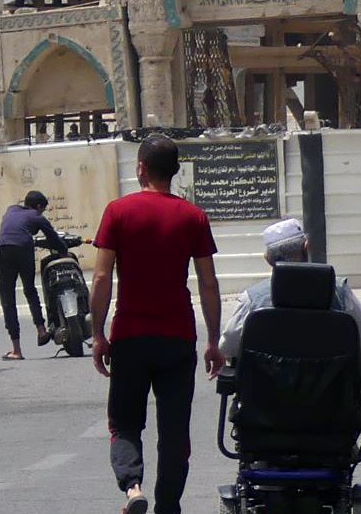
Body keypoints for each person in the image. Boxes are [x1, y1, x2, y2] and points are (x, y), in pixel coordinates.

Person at [89, 134, 221, 514]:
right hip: (178, 337)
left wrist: (98, 334)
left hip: (130, 336)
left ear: (141, 167)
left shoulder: (118, 211)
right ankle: (168, 505)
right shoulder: (193, 217)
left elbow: (101, 279)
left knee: (125, 423)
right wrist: (213, 340)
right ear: (175, 172)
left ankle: (133, 488)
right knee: (175, 430)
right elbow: (208, 282)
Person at [219, 218, 361, 375]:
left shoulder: (253, 299)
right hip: (332, 398)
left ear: (268, 259)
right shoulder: (339, 292)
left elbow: (228, 348)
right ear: (306, 248)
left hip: (264, 398)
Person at [0, 189, 67, 360]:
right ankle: (41, 330)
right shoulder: (37, 216)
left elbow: (13, 228)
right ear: (39, 206)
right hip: (23, 249)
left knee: (7, 298)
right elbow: (53, 238)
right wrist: (63, 251)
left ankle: (16, 349)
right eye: (42, 209)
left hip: (3, 248)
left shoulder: (11, 210)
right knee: (30, 290)